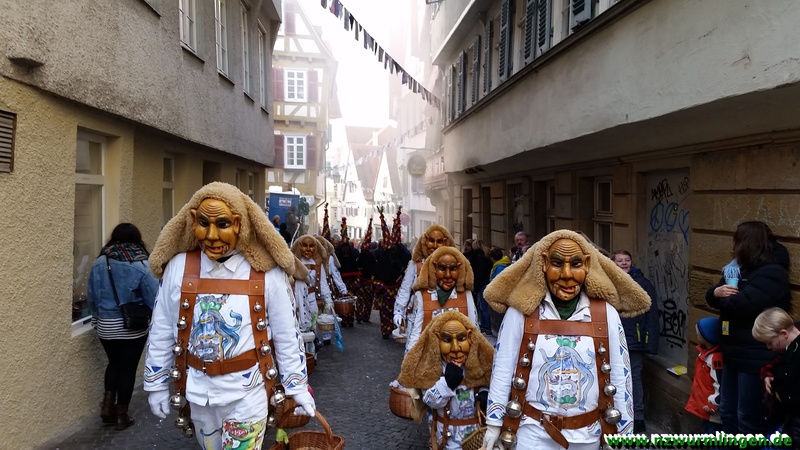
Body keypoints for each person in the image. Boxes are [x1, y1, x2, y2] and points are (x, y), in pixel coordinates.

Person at [144, 182, 315, 449]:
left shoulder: (267, 272)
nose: (211, 235)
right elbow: (162, 328)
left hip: (247, 394)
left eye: (222, 224)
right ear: (192, 221)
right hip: (198, 394)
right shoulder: (178, 267)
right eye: (203, 223)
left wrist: (297, 386)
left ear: (239, 223)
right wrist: (155, 383)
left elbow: (286, 334)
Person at [482, 229, 650, 450]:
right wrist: (494, 423)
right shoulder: (521, 312)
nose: (567, 274)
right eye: (557, 263)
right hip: (531, 434)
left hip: (587, 436)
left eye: (576, 264)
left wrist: (623, 434)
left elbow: (620, 374)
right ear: (543, 264)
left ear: (587, 265)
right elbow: (503, 367)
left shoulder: (605, 314)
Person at [705, 220, 791, 435]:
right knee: (727, 412)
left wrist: (723, 297)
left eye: (737, 240)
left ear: (747, 243)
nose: (733, 246)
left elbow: (742, 304)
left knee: (747, 417)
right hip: (733, 354)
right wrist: (716, 293)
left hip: (755, 357)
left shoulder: (773, 272)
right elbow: (714, 294)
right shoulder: (737, 268)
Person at [87, 223, 158, 430]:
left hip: (105, 325)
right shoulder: (141, 263)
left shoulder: (100, 262)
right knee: (127, 369)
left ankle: (107, 407)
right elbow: (154, 297)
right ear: (137, 238)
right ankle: (121, 416)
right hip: (132, 325)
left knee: (113, 364)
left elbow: (92, 294)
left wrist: (96, 318)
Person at [397, 310, 495, 450]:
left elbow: (489, 383)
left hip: (475, 439)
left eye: (461, 339)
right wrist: (447, 384)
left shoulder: (478, 365)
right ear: (437, 341)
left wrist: (484, 393)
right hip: (445, 441)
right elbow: (429, 400)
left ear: (469, 337)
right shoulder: (432, 369)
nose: (455, 348)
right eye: (447, 340)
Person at [612, 250, 660, 433]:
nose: (624, 263)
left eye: (627, 260)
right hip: (613, 339)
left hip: (635, 341)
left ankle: (638, 417)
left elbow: (652, 315)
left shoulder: (643, 284)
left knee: (634, 378)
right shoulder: (608, 283)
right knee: (612, 377)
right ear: (613, 263)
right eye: (620, 261)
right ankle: (615, 414)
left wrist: (651, 343)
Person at [406, 246, 479, 353]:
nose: (448, 275)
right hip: (430, 356)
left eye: (453, 269)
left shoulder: (466, 294)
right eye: (442, 269)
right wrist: (410, 359)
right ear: (434, 269)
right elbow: (415, 333)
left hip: (458, 355)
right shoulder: (422, 295)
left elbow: (474, 329)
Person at [393, 224, 457, 344]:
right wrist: (399, 311)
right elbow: (405, 289)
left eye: (439, 241)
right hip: (417, 316)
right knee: (415, 349)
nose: (435, 245)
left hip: (444, 316)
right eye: (431, 240)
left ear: (446, 242)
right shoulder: (415, 265)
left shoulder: (453, 266)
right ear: (425, 241)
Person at [753, 308, 800, 447]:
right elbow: (775, 365)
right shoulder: (788, 349)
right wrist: (767, 374)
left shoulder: (795, 353)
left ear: (783, 334)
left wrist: (782, 394)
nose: (769, 347)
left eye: (770, 343)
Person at [685, 317, 723, 434]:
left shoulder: (715, 359)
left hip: (712, 409)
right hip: (706, 407)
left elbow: (720, 384)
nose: (696, 336)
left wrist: (714, 404)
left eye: (698, 334)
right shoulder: (705, 354)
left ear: (706, 337)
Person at [488, 246, 511, 336]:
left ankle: (500, 334)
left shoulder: (499, 267)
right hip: (503, 294)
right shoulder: (503, 264)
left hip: (499, 295)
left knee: (499, 316)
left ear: (492, 258)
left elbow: (497, 281)